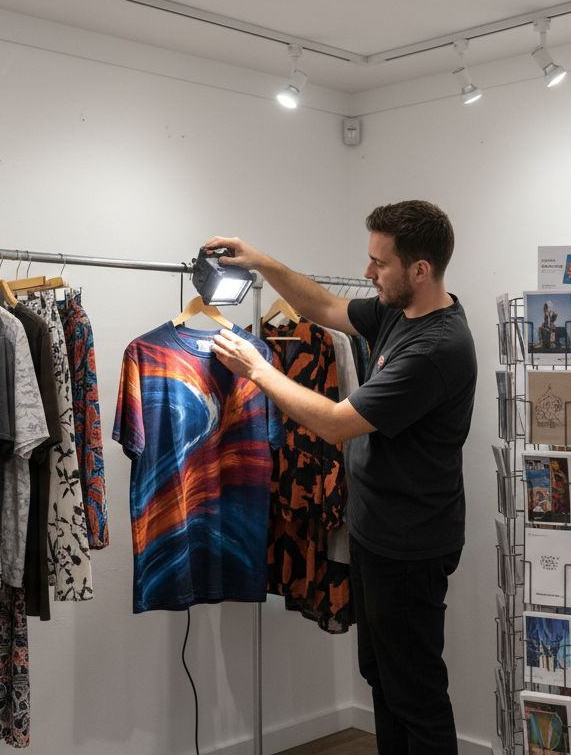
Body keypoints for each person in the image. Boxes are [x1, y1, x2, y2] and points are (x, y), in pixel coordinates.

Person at [207, 200, 476, 755]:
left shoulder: (436, 348)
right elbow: (326, 306)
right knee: (383, 677)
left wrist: (258, 369)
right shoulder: (399, 313)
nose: (368, 273)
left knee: (417, 692)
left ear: (419, 270)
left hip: (412, 545)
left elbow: (334, 424)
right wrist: (262, 262)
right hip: (378, 535)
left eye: (380, 263)